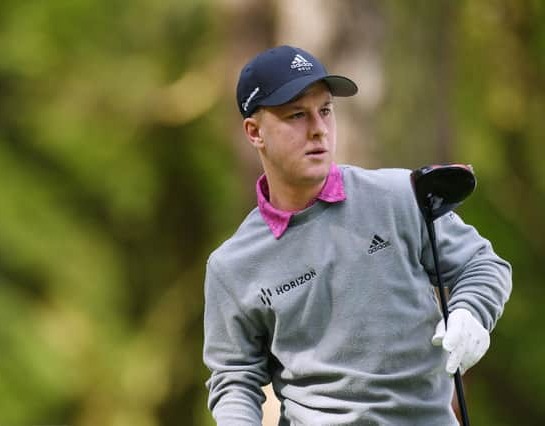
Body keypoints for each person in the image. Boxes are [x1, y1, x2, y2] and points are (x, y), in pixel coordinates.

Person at [202, 45, 512, 425]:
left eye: (326, 110)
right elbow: (235, 378)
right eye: (297, 114)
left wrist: (471, 312)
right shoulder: (232, 265)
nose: (318, 128)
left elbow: (481, 264)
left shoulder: (400, 196)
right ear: (254, 132)